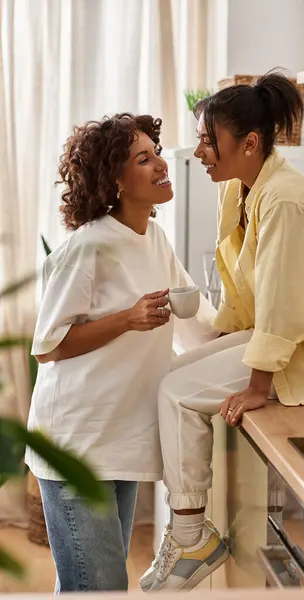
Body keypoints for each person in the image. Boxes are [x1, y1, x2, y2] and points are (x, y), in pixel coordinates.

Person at [144, 71, 304, 592]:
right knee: (174, 374)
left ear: (249, 142)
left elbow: (285, 304)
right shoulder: (242, 191)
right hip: (283, 341)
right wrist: (214, 341)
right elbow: (247, 295)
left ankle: (190, 534)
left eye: (208, 139)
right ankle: (192, 531)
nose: (199, 151)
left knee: (176, 393)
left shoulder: (286, 199)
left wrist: (256, 386)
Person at [25, 113, 220, 593]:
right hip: (76, 445)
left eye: (156, 153)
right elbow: (47, 347)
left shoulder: (155, 238)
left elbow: (196, 324)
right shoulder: (88, 247)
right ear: (115, 180)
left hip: (119, 439)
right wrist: (126, 319)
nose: (160, 164)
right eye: (144, 158)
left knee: (96, 586)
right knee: (98, 586)